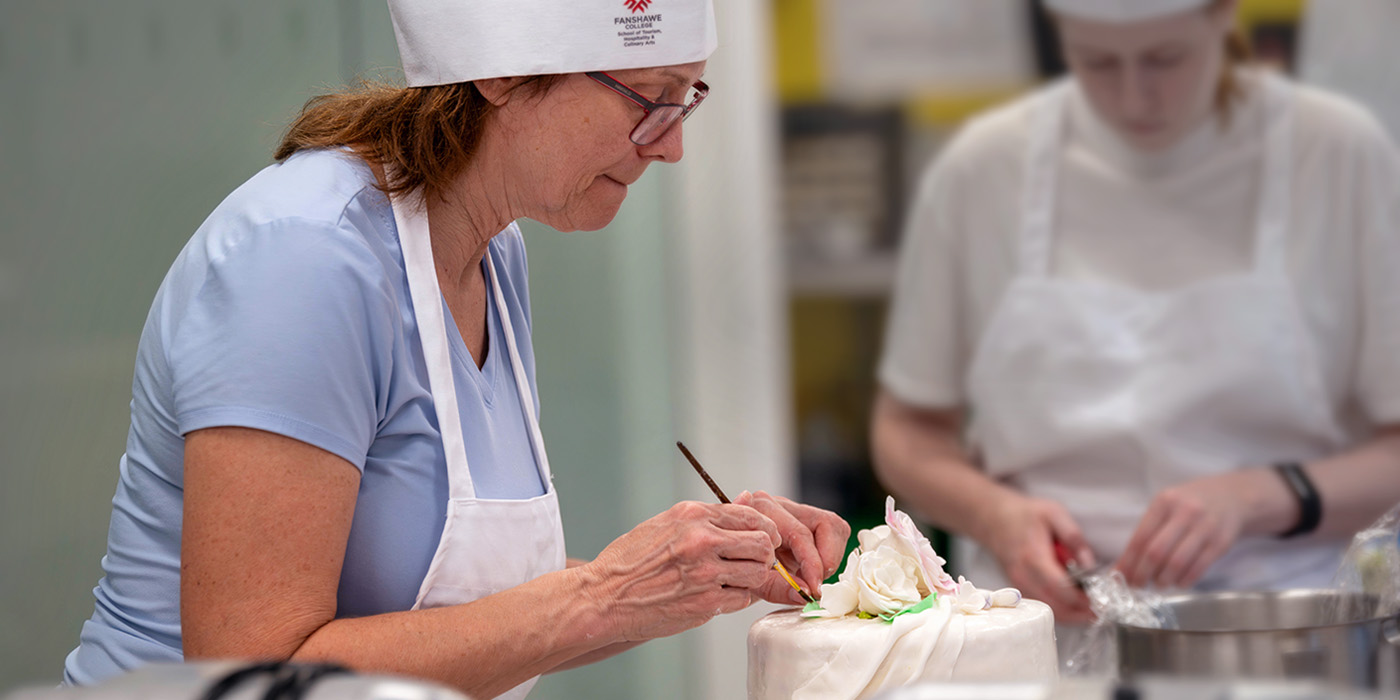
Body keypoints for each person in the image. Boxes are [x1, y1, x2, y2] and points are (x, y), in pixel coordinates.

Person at [62, 1, 850, 697]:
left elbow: (453, 621)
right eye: (650, 99)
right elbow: (257, 670)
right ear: (501, 75)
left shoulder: (491, 253)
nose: (671, 147)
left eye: (688, 99)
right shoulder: (303, 261)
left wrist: (693, 573)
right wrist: (609, 592)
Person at [873, 0, 1400, 628]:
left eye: (1165, 59)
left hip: (1283, 635)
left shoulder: (1337, 154)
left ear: (1221, 18)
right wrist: (996, 516)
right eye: (1097, 62)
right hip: (1038, 631)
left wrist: (1259, 496)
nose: (1133, 97)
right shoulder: (982, 172)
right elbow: (907, 430)